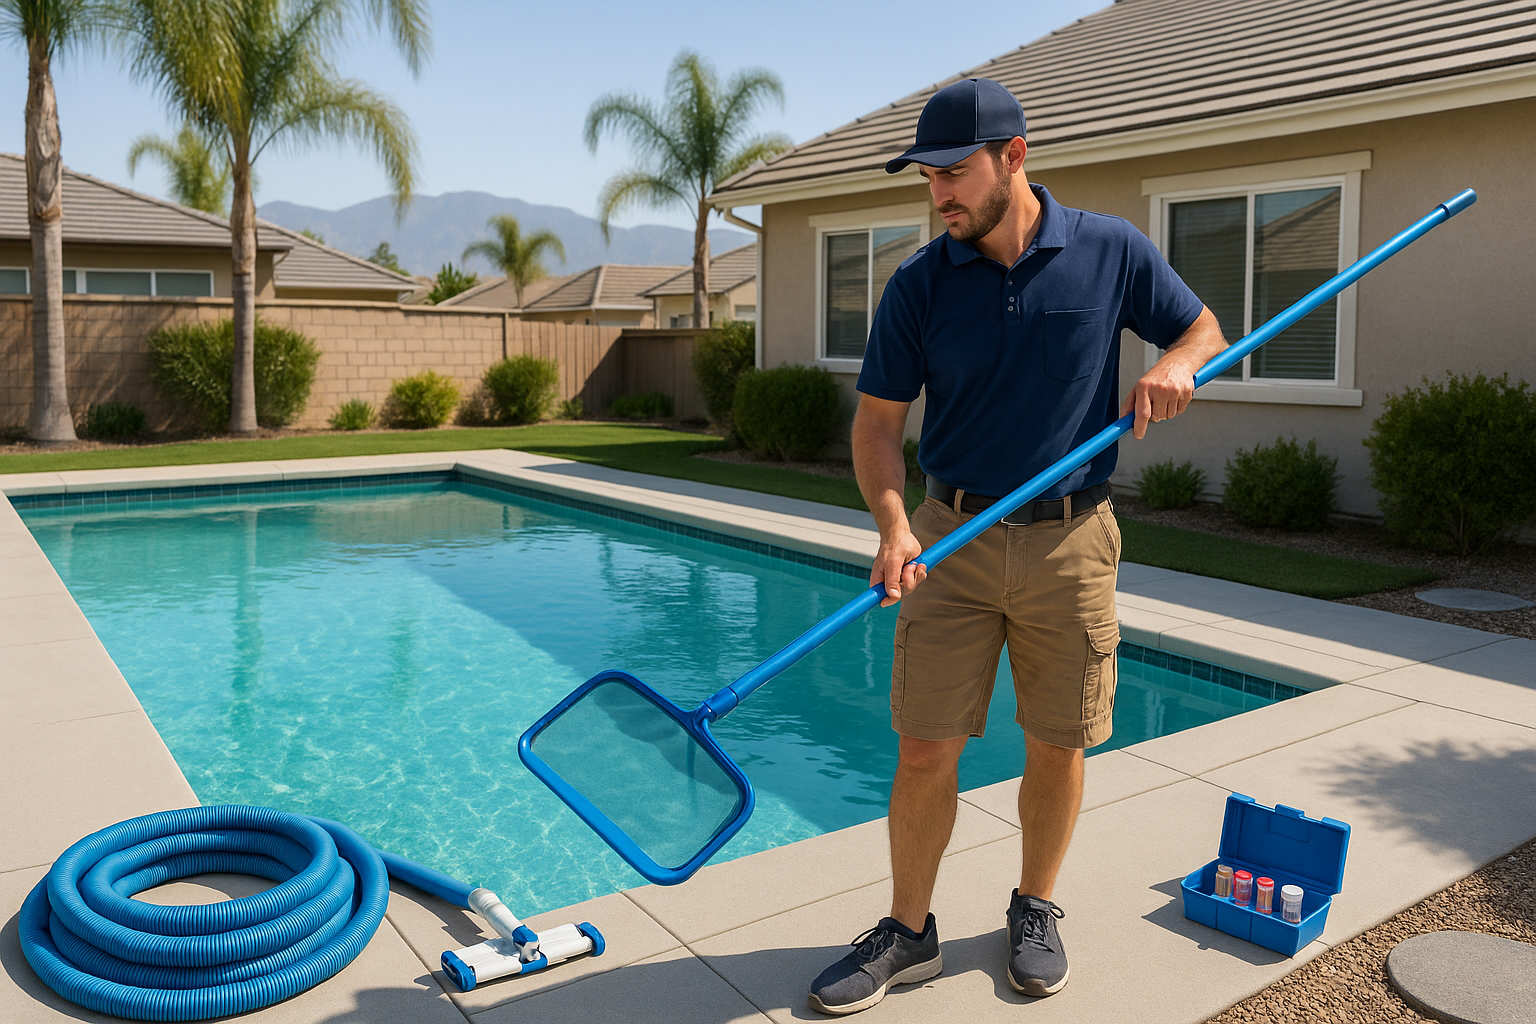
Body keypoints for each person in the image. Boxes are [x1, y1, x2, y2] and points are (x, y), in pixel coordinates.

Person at [806, 78, 1228, 1016]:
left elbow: (1203, 326)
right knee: (923, 749)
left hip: (1072, 539)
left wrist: (1174, 361)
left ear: (1015, 156)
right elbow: (877, 428)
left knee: (1059, 740)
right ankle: (909, 932)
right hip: (949, 538)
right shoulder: (919, 285)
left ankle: (1035, 908)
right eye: (929, 177)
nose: (940, 194)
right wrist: (892, 525)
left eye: (955, 173)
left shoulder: (1111, 249)